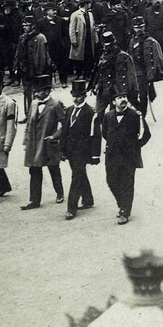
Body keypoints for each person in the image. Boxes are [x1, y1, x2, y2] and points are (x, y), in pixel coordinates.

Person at [50, 76, 100, 220]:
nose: (76, 99)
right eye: (74, 96)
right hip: (71, 149)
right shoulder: (70, 110)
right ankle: (88, 199)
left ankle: (71, 208)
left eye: (78, 96)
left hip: (83, 150)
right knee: (80, 174)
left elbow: (95, 135)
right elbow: (65, 131)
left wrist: (95, 155)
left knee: (76, 177)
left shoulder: (90, 112)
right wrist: (62, 150)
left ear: (84, 96)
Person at [99, 90, 151, 224]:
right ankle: (122, 204)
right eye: (119, 98)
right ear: (113, 102)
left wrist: (136, 146)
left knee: (127, 183)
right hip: (112, 155)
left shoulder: (135, 115)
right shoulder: (108, 116)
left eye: (124, 97)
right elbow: (105, 133)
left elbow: (146, 134)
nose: (123, 100)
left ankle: (125, 212)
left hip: (129, 156)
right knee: (111, 181)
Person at [21, 79, 65, 210]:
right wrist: (25, 141)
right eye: (35, 91)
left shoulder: (56, 104)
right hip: (34, 143)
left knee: (53, 169)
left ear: (47, 91)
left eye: (39, 91)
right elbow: (29, 124)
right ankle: (34, 200)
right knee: (34, 170)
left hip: (48, 143)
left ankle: (60, 193)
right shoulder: (34, 104)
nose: (36, 94)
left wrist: (54, 136)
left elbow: (64, 125)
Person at [68, 0, 96, 81]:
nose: (90, 5)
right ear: (85, 4)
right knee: (79, 57)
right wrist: (73, 40)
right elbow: (72, 28)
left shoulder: (90, 14)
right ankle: (78, 73)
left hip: (89, 38)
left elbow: (93, 27)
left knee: (89, 56)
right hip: (80, 38)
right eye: (89, 3)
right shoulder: (76, 14)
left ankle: (87, 74)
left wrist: (96, 38)